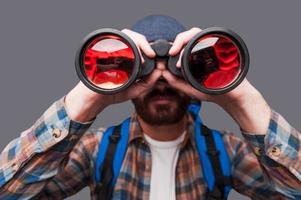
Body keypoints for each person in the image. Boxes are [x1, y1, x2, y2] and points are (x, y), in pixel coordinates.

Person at [0, 15, 300, 200]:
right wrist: (86, 97)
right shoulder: (97, 149)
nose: (160, 80)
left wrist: (242, 99)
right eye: (143, 68)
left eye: (175, 67)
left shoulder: (225, 151)